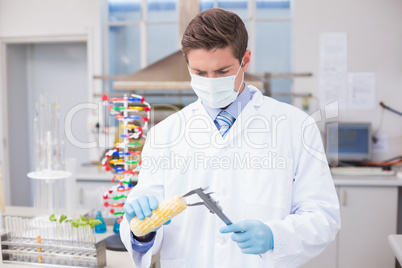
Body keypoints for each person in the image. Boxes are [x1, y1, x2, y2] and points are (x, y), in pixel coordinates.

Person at [120, 8, 340, 268]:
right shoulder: (164, 134)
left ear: (245, 60)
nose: (210, 82)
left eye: (223, 71)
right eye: (200, 73)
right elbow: (144, 227)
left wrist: (275, 237)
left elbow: (322, 217)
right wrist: (141, 230)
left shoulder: (296, 126)